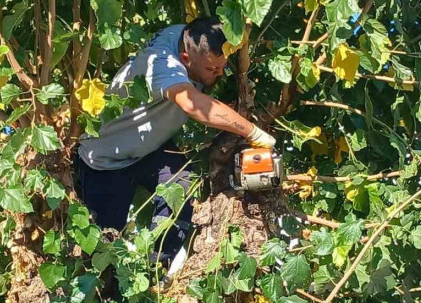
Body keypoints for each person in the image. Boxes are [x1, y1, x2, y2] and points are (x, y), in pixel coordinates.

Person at [75, 17, 276, 274]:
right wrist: (253, 132)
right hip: (105, 162)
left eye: (222, 66)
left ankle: (154, 268)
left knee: (182, 187)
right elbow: (194, 104)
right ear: (184, 58)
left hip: (149, 148)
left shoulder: (190, 36)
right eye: (212, 70)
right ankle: (114, 294)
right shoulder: (162, 63)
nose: (219, 74)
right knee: (104, 249)